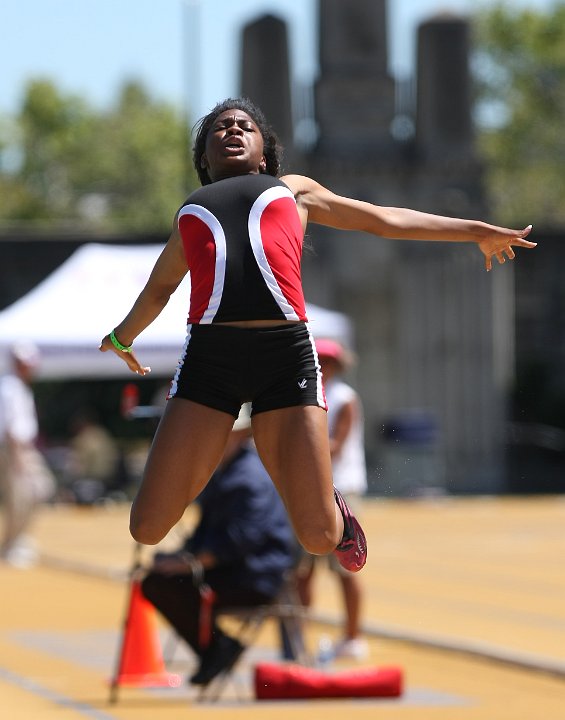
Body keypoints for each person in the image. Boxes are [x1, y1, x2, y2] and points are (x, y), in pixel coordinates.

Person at [99, 97, 535, 576]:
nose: (234, 130)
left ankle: (335, 510)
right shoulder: (191, 213)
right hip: (209, 360)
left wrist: (472, 230)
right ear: (204, 157)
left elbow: (381, 219)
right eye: (221, 128)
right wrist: (122, 339)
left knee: (319, 537)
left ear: (264, 153)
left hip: (284, 359)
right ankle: (245, 463)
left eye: (245, 125)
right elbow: (159, 288)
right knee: (146, 526)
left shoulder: (293, 192)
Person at [141, 404, 295, 686]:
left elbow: (239, 541)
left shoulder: (248, 478)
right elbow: (206, 533)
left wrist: (189, 564)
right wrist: (178, 557)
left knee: (161, 583)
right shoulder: (222, 472)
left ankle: (217, 649)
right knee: (156, 580)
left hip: (255, 575)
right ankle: (218, 648)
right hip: (232, 568)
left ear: (241, 436)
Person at [296, 338, 369, 660]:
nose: (322, 366)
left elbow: (337, 444)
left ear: (338, 366)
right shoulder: (305, 393)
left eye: (328, 361)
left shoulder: (344, 397)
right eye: (318, 360)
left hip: (342, 488)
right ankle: (298, 638)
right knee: (302, 568)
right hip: (308, 486)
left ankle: (353, 636)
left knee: (346, 565)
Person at [0, 343, 55, 567]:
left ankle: (16, 540)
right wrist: (19, 458)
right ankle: (13, 543)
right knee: (22, 496)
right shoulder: (10, 388)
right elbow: (13, 428)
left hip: (23, 448)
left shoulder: (17, 387)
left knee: (37, 490)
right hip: (16, 449)